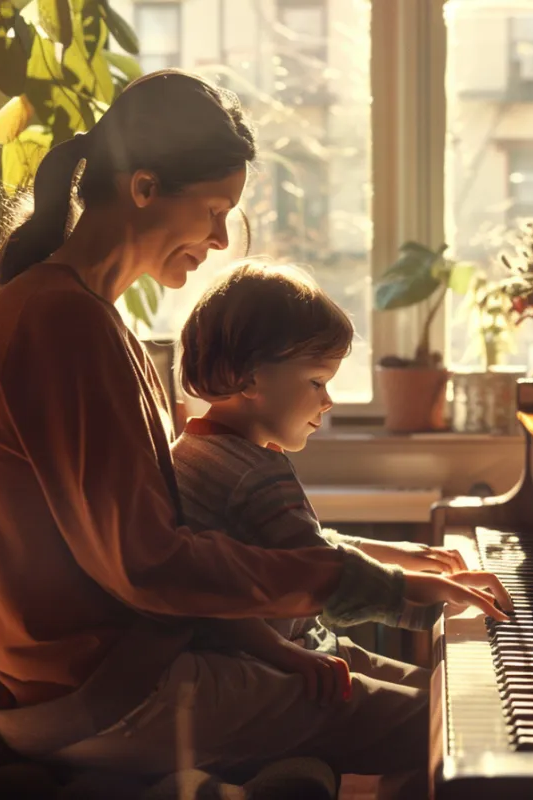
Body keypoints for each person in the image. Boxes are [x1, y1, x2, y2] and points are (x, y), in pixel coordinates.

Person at [0, 68, 511, 797]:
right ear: (144, 188)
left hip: (123, 665)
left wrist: (398, 565)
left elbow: (175, 544)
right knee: (459, 733)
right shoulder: (61, 322)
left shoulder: (89, 315)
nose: (219, 240)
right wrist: (368, 583)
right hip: (98, 691)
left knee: (439, 703)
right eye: (215, 210)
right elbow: (151, 566)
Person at [168, 260, 464, 727]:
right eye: (317, 381)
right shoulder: (257, 475)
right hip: (257, 666)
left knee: (440, 697)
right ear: (249, 377)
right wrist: (441, 598)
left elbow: (284, 554)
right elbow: (317, 577)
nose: (327, 401)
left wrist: (395, 552)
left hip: (275, 647)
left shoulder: (193, 450)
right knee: (446, 725)